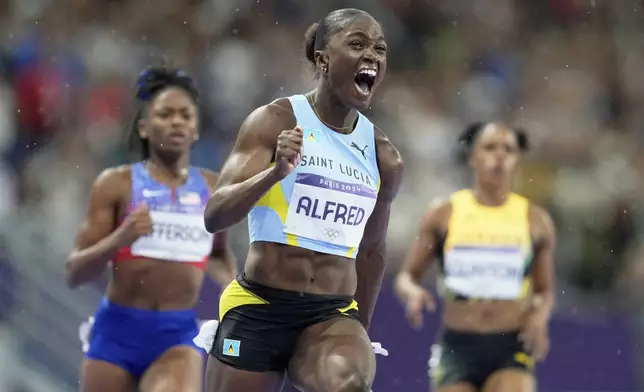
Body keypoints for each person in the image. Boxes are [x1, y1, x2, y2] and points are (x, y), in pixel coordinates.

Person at [200, 8, 403, 392]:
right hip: (260, 305)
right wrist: (274, 172)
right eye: (357, 44)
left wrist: (359, 329)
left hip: (330, 316)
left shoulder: (383, 156)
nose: (372, 56)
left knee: (350, 385)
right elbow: (216, 214)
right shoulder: (274, 120)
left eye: (379, 48)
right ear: (323, 59)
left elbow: (372, 251)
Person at [65, 66, 237, 392]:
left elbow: (217, 254)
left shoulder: (213, 189)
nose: (176, 122)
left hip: (176, 336)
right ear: (144, 127)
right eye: (165, 114)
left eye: (185, 115)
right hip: (116, 333)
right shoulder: (116, 184)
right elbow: (75, 273)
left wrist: (236, 294)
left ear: (195, 129)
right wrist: (121, 238)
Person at [394, 122, 556, 392]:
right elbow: (406, 276)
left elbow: (545, 289)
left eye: (509, 149)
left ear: (517, 159)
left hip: (510, 345)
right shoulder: (443, 213)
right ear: (472, 157)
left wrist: (538, 316)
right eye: (490, 147)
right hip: (458, 345)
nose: (500, 155)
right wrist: (412, 293)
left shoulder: (536, 220)